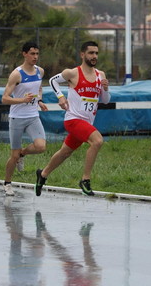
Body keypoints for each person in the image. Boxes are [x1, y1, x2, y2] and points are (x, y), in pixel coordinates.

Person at [35, 41, 110, 197]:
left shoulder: (100, 75)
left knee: (64, 152)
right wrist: (61, 97)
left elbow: (105, 100)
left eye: (96, 53)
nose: (94, 56)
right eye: (91, 53)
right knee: (97, 141)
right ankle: (85, 179)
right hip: (74, 119)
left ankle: (43, 174)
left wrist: (106, 89)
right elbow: (52, 81)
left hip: (87, 123)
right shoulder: (73, 73)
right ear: (82, 54)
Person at [2, 42, 48, 196]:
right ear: (24, 54)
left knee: (41, 146)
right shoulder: (17, 74)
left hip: (33, 116)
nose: (35, 57)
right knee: (12, 156)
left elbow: (39, 88)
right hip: (17, 118)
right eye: (32, 54)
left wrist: (39, 101)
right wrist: (22, 100)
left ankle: (23, 154)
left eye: (37, 54)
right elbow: (5, 98)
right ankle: (7, 183)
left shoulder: (40, 72)